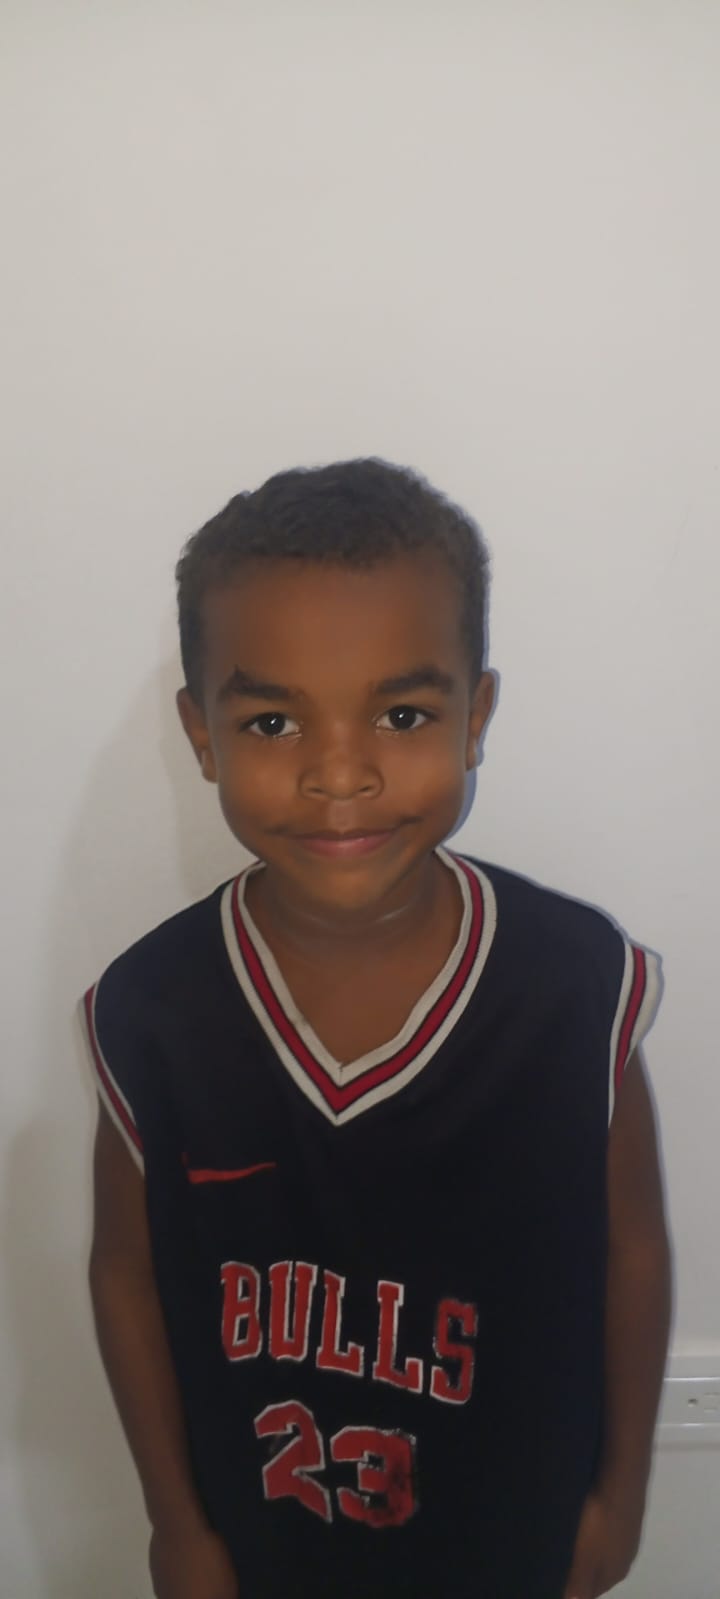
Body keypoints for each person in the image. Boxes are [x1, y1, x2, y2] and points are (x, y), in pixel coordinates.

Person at [78, 458, 672, 1599]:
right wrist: (176, 1525)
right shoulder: (151, 1011)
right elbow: (126, 1274)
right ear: (201, 735)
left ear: (475, 718)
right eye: (271, 720)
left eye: (402, 715)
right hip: (269, 1545)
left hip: (515, 1538)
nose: (339, 774)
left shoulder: (574, 984)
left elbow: (633, 1250)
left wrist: (622, 1491)